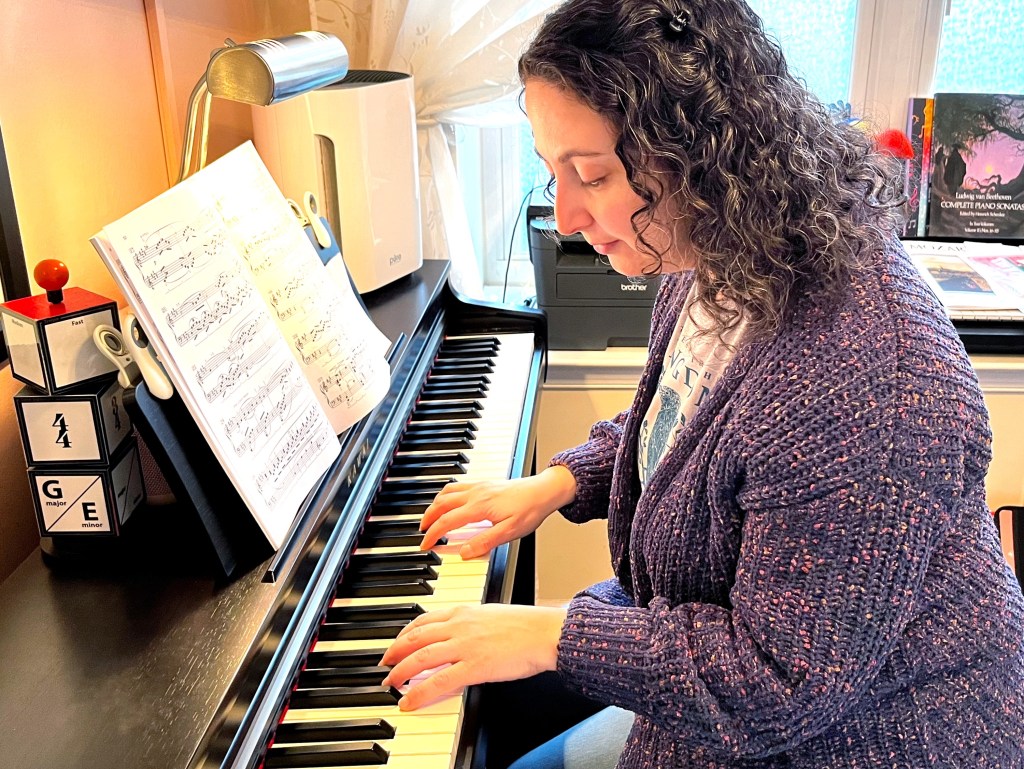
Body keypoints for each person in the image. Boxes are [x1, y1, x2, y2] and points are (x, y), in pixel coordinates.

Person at [379, 0, 1024, 766]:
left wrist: (549, 633)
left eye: (590, 173)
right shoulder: (726, 246)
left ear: (697, 153)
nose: (569, 214)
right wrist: (559, 482)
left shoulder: (865, 375)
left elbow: (778, 683)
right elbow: (693, 425)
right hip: (758, 679)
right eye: (553, 168)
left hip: (864, 735)